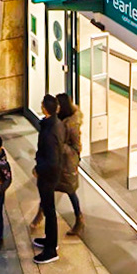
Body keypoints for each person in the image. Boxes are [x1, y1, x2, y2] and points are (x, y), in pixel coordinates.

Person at [32, 96, 62, 265]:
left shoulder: (50, 132)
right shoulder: (55, 124)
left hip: (48, 176)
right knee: (48, 208)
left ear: (45, 109)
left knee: (49, 210)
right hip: (50, 174)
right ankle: (50, 240)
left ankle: (50, 249)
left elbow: (51, 160)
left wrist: (38, 169)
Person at [55, 93, 84, 237]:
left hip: (67, 164)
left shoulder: (72, 125)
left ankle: (79, 219)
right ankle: (39, 214)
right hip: (57, 161)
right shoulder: (59, 119)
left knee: (70, 191)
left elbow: (76, 148)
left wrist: (61, 146)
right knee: (47, 187)